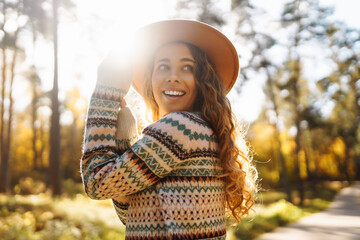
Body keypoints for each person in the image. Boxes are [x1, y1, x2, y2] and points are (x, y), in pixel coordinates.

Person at [81, 20, 257, 240]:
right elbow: (131, 215)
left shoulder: (182, 128)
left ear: (203, 80)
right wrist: (125, 141)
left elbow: (95, 182)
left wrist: (106, 94)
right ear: (151, 79)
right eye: (163, 66)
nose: (173, 76)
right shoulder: (199, 129)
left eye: (187, 67)